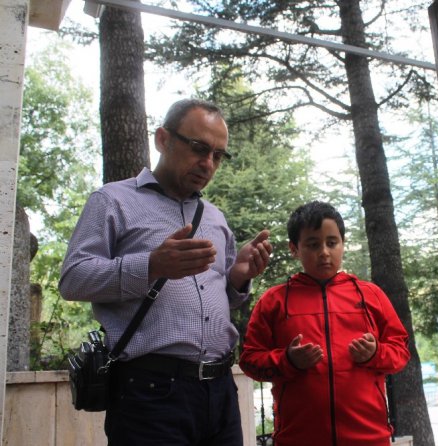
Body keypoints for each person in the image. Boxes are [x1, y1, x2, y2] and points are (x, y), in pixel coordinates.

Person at [59, 98, 272, 446]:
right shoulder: (112, 201)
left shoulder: (215, 218)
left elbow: (222, 299)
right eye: (199, 148)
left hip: (220, 390)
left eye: (218, 155)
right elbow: (73, 279)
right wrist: (151, 266)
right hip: (149, 393)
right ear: (163, 139)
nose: (208, 164)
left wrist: (237, 277)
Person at [239, 200, 410, 446]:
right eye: (312, 244)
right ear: (294, 248)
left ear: (342, 244)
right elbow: (250, 361)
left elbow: (401, 352)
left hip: (370, 439)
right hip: (297, 439)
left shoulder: (371, 295)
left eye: (332, 243)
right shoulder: (273, 301)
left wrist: (376, 353)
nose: (324, 252)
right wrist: (288, 360)